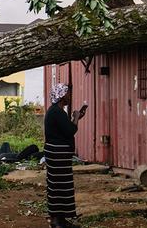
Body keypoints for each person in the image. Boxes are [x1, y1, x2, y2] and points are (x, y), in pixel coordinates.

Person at [45, 83, 86, 228]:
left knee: (59, 185)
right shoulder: (57, 112)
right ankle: (57, 221)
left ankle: (59, 219)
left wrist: (76, 118)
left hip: (56, 153)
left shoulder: (55, 111)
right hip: (58, 154)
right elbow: (70, 131)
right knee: (60, 185)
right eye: (67, 93)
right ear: (62, 95)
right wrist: (75, 117)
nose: (69, 95)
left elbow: (64, 129)